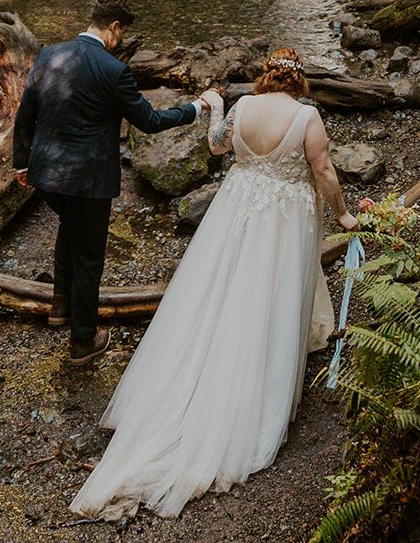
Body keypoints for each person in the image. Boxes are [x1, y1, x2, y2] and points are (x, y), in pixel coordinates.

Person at [70, 45, 360, 518]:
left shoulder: (244, 106)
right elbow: (323, 169)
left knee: (221, 284)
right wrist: (343, 215)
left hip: (238, 205)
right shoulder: (307, 118)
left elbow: (217, 146)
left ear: (268, 76)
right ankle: (259, 371)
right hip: (284, 214)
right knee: (272, 287)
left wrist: (218, 109)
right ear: (299, 81)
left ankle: (208, 358)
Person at [12, 0, 214, 363]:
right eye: (121, 35)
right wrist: (196, 108)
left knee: (68, 229)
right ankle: (83, 340)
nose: (120, 41)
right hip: (86, 180)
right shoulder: (112, 69)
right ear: (114, 28)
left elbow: (26, 112)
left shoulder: (48, 55)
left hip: (45, 174)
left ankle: (60, 307)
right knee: (89, 257)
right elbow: (149, 121)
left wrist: (21, 164)